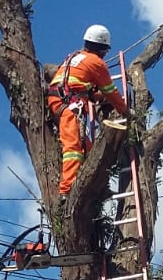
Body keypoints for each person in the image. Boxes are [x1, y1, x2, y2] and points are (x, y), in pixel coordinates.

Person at [46, 24, 128, 197]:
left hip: (60, 99)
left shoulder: (75, 57)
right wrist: (125, 111)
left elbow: (83, 89)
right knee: (73, 148)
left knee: (88, 149)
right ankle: (66, 190)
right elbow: (110, 91)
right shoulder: (95, 63)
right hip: (69, 104)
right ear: (103, 48)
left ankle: (98, 187)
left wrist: (97, 97)